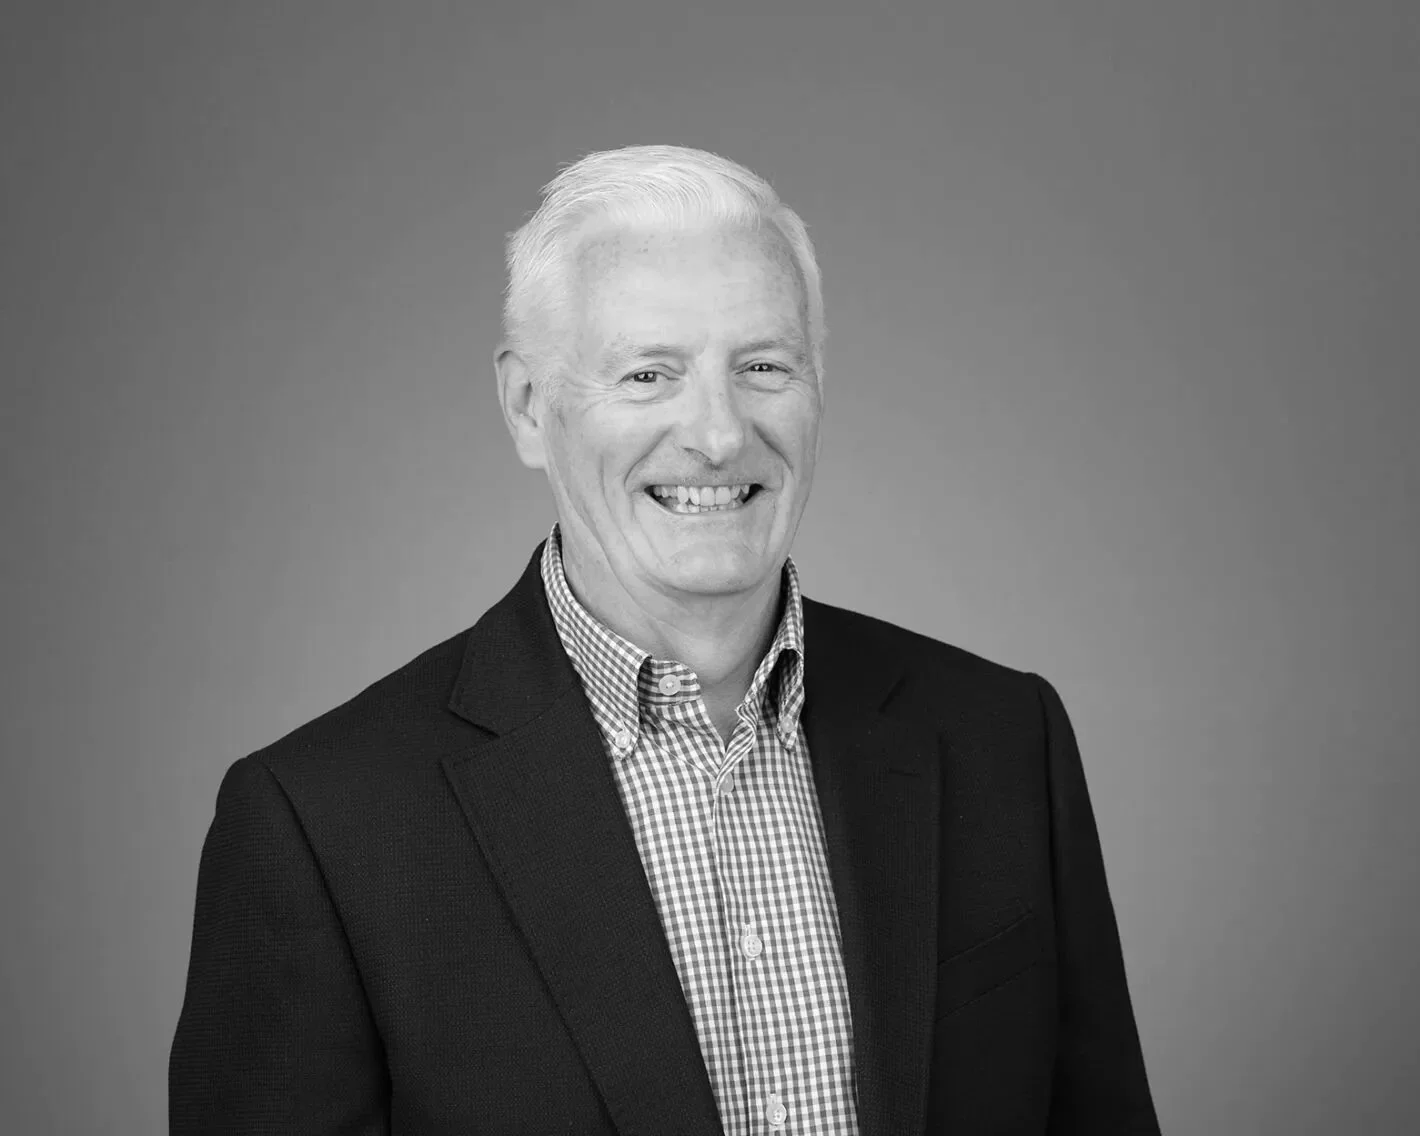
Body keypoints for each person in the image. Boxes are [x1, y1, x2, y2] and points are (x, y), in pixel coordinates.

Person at [169, 145, 1160, 1135]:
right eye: (649, 373)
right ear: (526, 406)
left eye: (762, 366)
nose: (719, 434)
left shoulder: (999, 738)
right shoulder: (325, 823)